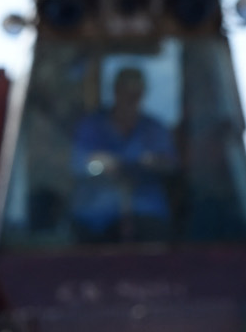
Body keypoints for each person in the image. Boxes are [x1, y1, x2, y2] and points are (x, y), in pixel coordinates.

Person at [70, 66, 177, 242]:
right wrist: (100, 164)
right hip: (95, 218)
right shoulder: (91, 126)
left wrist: (152, 164)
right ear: (115, 91)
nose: (131, 98)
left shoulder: (155, 129)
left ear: (143, 93)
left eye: (136, 92)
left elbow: (171, 165)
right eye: (125, 91)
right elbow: (77, 164)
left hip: (147, 217)